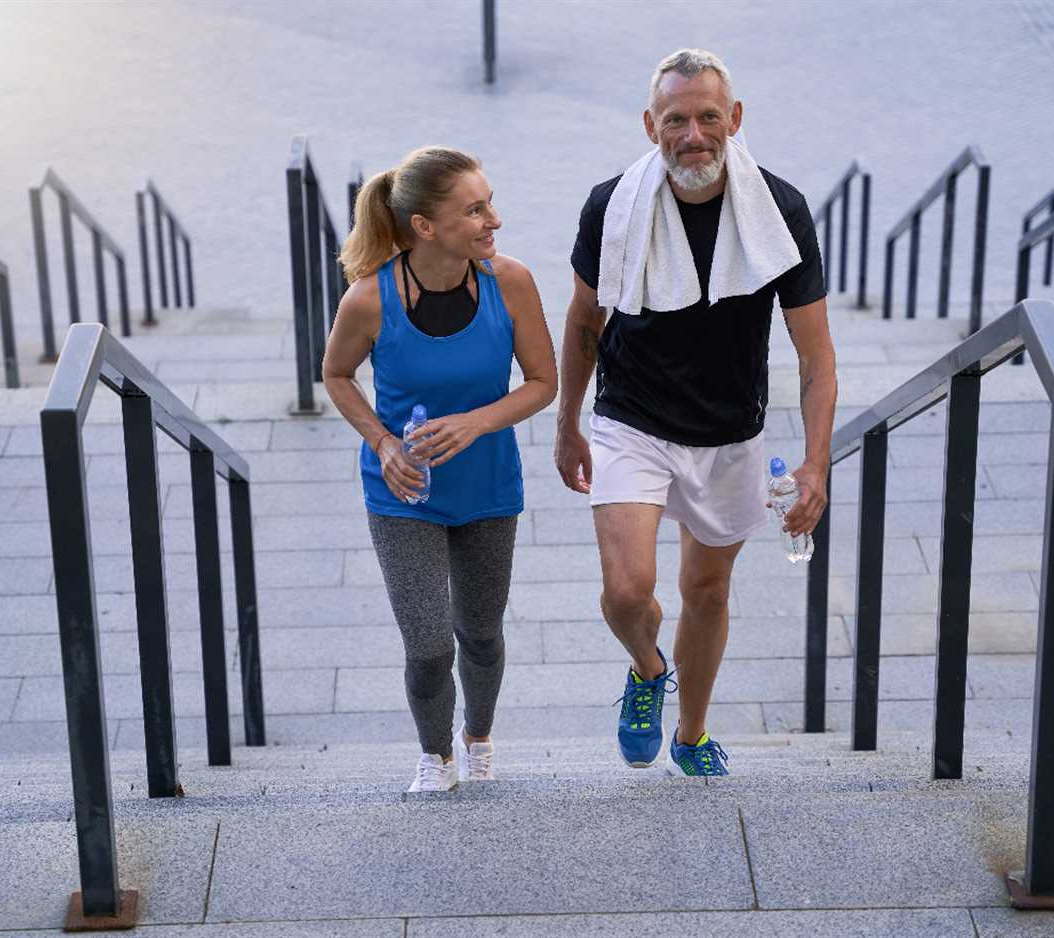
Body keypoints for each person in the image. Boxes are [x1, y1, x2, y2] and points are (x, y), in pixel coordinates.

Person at [554, 49, 837, 776]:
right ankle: (649, 671)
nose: (693, 135)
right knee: (626, 592)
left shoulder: (780, 210)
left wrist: (814, 462)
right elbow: (585, 322)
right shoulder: (611, 203)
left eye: (708, 117)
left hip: (729, 431)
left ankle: (691, 733)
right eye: (675, 119)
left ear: (734, 119)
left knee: (705, 592)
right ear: (651, 126)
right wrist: (567, 425)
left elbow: (815, 356)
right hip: (632, 418)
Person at [325, 146, 557, 792]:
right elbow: (336, 375)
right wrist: (383, 443)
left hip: (487, 487)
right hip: (403, 493)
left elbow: (544, 382)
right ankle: (436, 756)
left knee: (480, 634)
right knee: (429, 645)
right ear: (425, 227)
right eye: (475, 210)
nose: (494, 221)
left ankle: (478, 736)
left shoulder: (509, 284)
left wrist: (475, 423)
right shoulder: (369, 301)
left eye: (490, 204)